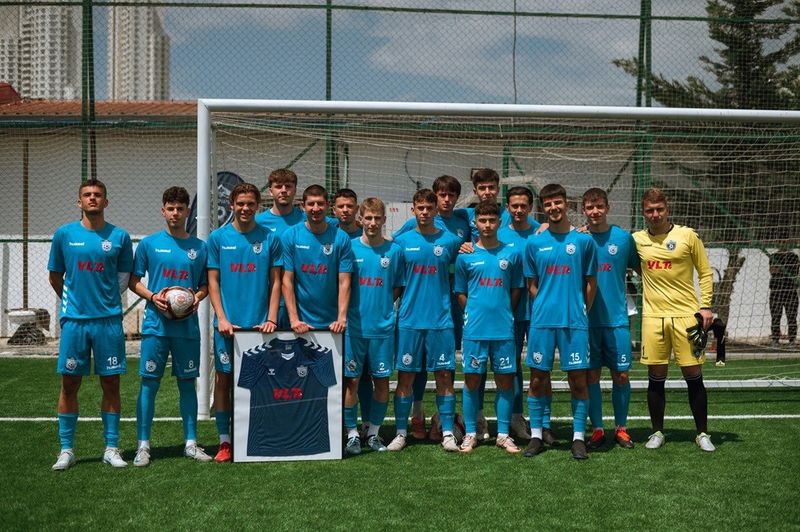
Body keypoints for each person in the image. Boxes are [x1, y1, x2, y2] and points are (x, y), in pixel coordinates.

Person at [48, 179, 134, 470]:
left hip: (108, 322)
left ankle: (111, 448)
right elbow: (55, 276)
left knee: (111, 383)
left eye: (98, 195)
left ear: (106, 202)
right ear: (79, 202)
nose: (92, 198)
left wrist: (103, 300)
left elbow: (123, 279)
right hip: (75, 322)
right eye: (87, 195)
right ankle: (66, 450)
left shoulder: (120, 237)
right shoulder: (64, 235)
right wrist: (74, 301)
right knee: (69, 384)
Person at [128, 186, 212, 466]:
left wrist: (196, 298)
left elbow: (204, 285)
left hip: (187, 328)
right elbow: (134, 281)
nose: (175, 213)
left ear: (188, 212)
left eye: (180, 209)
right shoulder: (149, 244)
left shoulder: (200, 247)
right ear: (163, 211)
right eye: (171, 208)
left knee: (187, 383)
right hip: (156, 325)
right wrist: (154, 297)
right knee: (149, 383)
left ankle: (191, 443)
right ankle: (143, 446)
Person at [633, 188, 715, 452]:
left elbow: (704, 272)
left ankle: (702, 433)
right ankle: (657, 432)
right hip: (653, 318)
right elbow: (610, 249)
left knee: (693, 374)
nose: (655, 214)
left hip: (686, 316)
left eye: (659, 209)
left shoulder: (687, 236)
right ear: (643, 213)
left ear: (667, 210)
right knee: (656, 375)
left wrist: (705, 306)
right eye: (650, 210)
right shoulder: (636, 240)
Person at [207, 182, 282, 462]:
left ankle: (261, 435)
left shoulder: (270, 238)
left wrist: (271, 317)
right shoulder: (218, 238)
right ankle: (225, 441)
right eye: (240, 204)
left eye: (250, 204)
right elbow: (213, 282)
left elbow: (276, 282)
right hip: (228, 326)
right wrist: (222, 318)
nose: (245, 208)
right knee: (223, 379)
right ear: (232, 205)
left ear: (258, 206)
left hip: (260, 326)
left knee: (263, 381)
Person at [523, 183, 596, 460]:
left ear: (566, 204)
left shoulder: (583, 241)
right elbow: (531, 284)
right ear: (543, 208)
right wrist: (545, 303)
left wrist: (582, 309)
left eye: (558, 202)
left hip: (574, 321)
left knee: (578, 380)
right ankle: (536, 435)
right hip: (542, 321)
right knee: (538, 379)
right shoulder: (534, 243)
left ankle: (578, 438)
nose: (553, 208)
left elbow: (591, 282)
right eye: (548, 204)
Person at [394, 175, 470, 441]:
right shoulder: (402, 241)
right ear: (413, 210)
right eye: (421, 208)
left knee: (444, 375)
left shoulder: (451, 240)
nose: (425, 212)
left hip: (441, 319)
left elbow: (473, 255)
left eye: (429, 208)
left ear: (435, 210)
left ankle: (447, 431)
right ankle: (402, 432)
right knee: (406, 376)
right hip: (409, 319)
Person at [455, 200, 524, 454]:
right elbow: (460, 293)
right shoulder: (465, 256)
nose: (487, 225)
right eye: (482, 220)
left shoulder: (511, 254)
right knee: (472, 381)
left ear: (499, 222)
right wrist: (474, 312)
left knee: (505, 381)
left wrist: (502, 311)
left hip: (503, 329)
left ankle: (503, 434)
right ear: (475, 223)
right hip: (475, 330)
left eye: (491, 220)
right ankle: (471, 433)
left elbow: (516, 290)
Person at [343, 198, 404, 454]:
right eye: (368, 218)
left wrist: (382, 307)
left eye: (377, 218)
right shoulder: (349, 248)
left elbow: (397, 286)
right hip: (354, 328)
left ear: (384, 220)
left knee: (381, 382)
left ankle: (374, 434)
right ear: (360, 219)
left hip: (382, 329)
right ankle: (352, 434)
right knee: (352, 381)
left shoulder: (394, 251)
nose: (372, 223)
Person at [581, 188, 639, 451]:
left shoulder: (624, 238)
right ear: (584, 210)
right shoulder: (579, 238)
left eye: (599, 206)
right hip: (587, 321)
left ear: (607, 207)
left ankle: (621, 428)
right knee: (591, 375)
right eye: (589, 207)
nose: (594, 212)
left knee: (622, 375)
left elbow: (641, 268)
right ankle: (597, 430)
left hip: (617, 320)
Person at [497, 186, 551, 442]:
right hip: (509, 312)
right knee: (512, 367)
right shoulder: (497, 234)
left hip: (540, 310)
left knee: (542, 366)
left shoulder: (544, 231)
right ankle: (516, 418)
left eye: (523, 206)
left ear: (530, 208)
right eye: (514, 206)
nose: (519, 210)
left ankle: (544, 423)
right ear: (507, 208)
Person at [281, 184, 353, 336]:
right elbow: (287, 280)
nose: (315, 208)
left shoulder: (341, 238)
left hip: (333, 324)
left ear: (327, 205)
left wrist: (341, 318)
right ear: (303, 206)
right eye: (311, 204)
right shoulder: (290, 236)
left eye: (320, 203)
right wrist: (294, 320)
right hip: (300, 324)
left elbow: (344, 281)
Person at [255, 168, 306, 330]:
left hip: (301, 301)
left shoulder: (307, 220)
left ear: (295, 190)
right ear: (270, 191)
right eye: (278, 186)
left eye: (288, 186)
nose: (283, 190)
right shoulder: (258, 222)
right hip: (268, 301)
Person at [768, 246, 799, 346]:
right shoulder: (773, 256)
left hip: (790, 290)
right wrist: (785, 269)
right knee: (775, 316)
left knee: (792, 316)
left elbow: (794, 271)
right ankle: (775, 339)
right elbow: (772, 270)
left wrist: (780, 269)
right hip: (776, 290)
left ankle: (792, 340)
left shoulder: (794, 257)